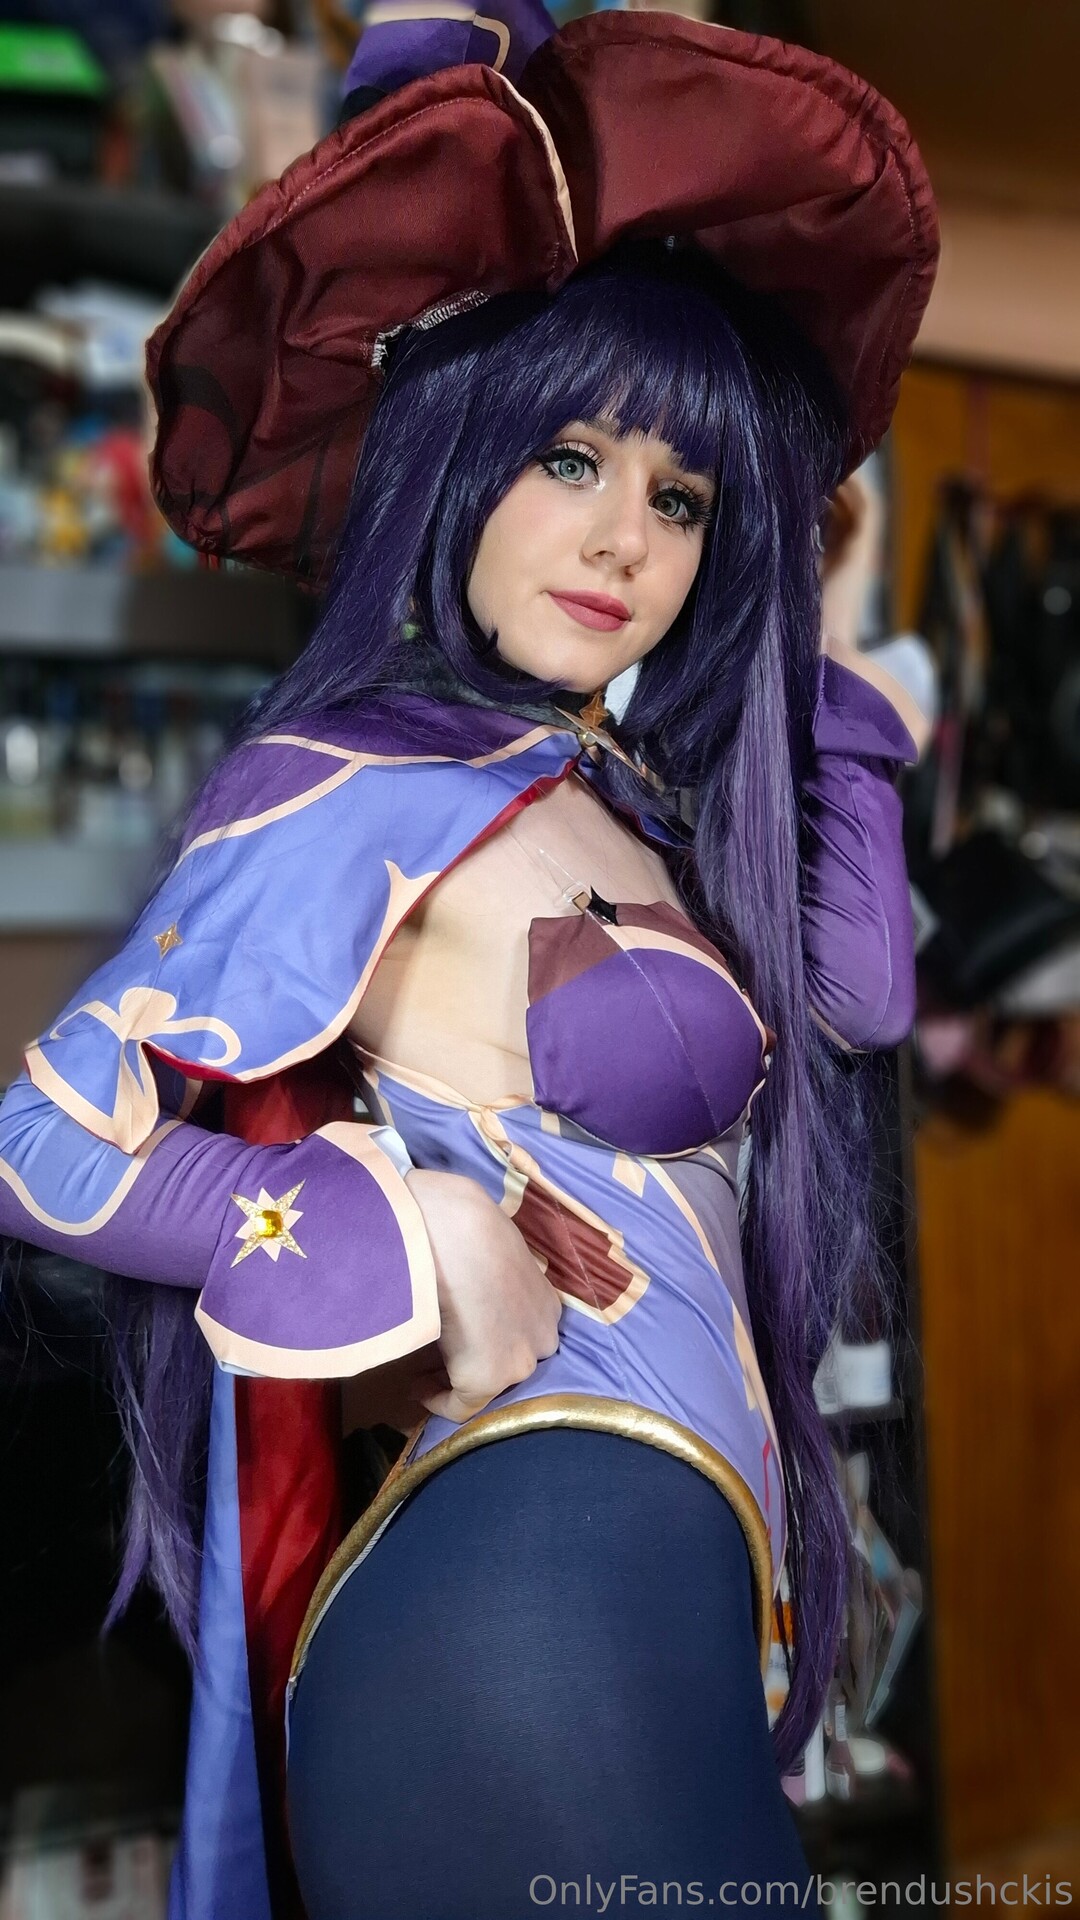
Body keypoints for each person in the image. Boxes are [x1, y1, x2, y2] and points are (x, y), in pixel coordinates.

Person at [0, 8, 938, 1917]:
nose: (621, 542)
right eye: (569, 457)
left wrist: (808, 670)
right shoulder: (347, 786)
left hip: (668, 1587)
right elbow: (45, 1140)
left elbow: (861, 990)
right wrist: (400, 1232)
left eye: (680, 498)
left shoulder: (636, 802)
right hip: (514, 1609)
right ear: (457, 462)